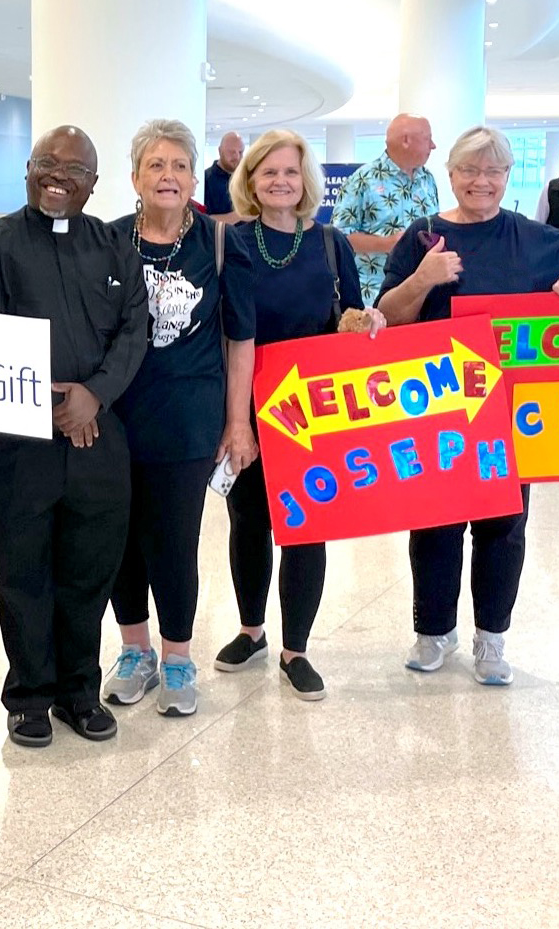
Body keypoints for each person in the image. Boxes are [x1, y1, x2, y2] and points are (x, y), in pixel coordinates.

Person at [378, 126, 559, 685]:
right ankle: (433, 632)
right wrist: (422, 279)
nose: (480, 182)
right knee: (434, 523)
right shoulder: (423, 236)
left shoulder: (533, 238)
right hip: (435, 409)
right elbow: (388, 315)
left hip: (512, 414)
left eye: (493, 172)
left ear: (508, 178)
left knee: (503, 525)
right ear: (451, 175)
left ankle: (492, 639)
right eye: (469, 171)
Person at [0, 125, 147, 748]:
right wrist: (50, 407)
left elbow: (134, 331)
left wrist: (92, 394)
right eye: (47, 162)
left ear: (94, 185)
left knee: (88, 570)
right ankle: (29, 697)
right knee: (23, 572)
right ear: (27, 169)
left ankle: (78, 690)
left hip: (99, 435)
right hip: (19, 442)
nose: (58, 175)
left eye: (74, 169)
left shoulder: (116, 246)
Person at [216, 130, 383, 701]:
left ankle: (296, 649)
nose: (280, 182)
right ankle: (251, 631)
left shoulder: (331, 244)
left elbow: (352, 315)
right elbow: (229, 329)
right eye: (268, 173)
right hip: (249, 401)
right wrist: (236, 420)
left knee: (306, 528)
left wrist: (366, 322)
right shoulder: (233, 242)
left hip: (313, 408)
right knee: (248, 521)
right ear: (251, 182)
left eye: (290, 172)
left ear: (305, 181)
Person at [102, 120, 256, 718]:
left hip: (188, 420)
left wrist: (237, 423)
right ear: (135, 177)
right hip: (115, 417)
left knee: (173, 539)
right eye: (155, 166)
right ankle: (134, 650)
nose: (168, 176)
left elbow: (240, 339)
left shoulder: (220, 244)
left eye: (179, 166)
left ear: (196, 177)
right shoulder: (109, 240)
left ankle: (178, 657)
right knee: (120, 541)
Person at [332, 113, 440, 305]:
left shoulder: (428, 179)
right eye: (427, 139)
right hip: (373, 298)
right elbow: (338, 238)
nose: (433, 145)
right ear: (406, 140)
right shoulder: (363, 180)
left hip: (421, 296)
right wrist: (388, 243)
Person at [200, 131, 244, 220]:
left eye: (240, 152)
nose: (237, 157)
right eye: (232, 152)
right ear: (220, 151)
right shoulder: (205, 180)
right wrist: (239, 216)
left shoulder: (247, 179)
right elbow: (202, 221)